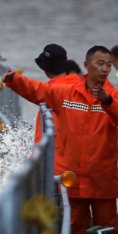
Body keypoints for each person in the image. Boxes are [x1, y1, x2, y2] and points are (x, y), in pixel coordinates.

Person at [3, 46, 118, 234]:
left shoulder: (114, 95)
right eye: (100, 63)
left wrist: (106, 101)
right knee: (75, 228)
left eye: (108, 64)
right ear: (87, 65)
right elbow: (37, 90)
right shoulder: (65, 92)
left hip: (102, 175)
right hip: (73, 176)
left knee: (109, 230)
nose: (104, 69)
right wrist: (14, 80)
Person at [31, 45, 81, 178]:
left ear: (46, 70)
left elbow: (41, 138)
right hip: (85, 168)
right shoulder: (83, 87)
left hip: (56, 170)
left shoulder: (49, 93)